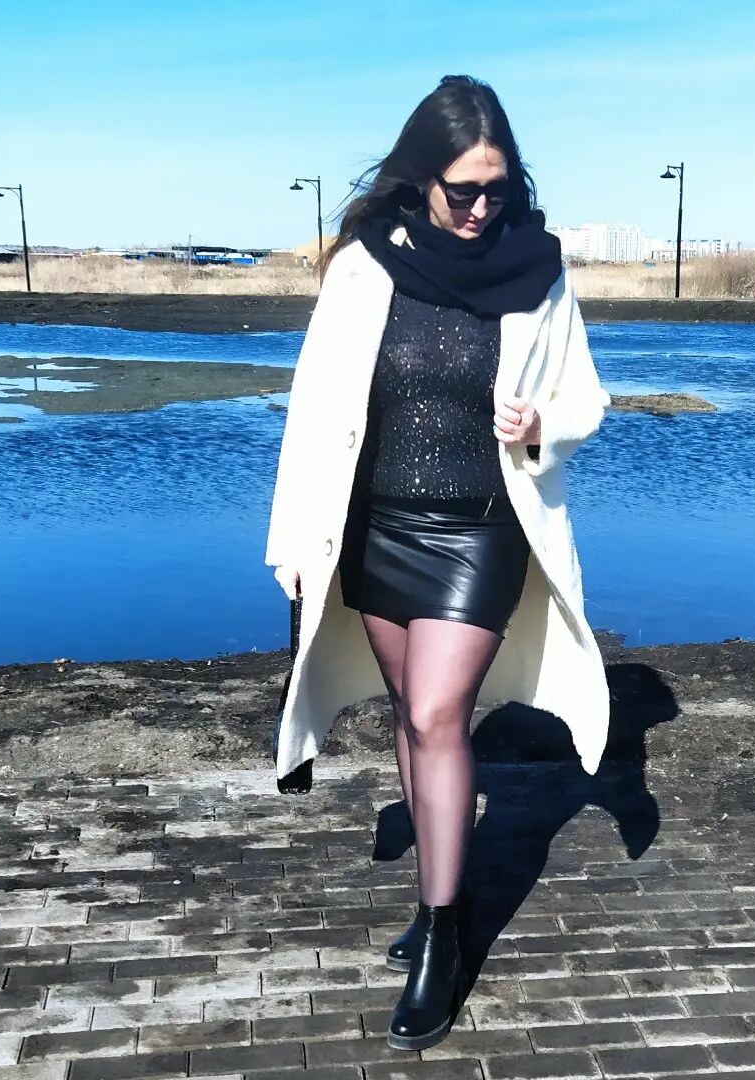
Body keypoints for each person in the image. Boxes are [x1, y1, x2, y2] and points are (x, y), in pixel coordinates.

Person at [265, 74, 611, 1051]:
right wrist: (294, 541)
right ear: (422, 176)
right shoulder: (363, 267)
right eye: (463, 189)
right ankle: (433, 904)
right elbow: (313, 411)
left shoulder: (537, 268)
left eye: (497, 187)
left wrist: (542, 424)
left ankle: (447, 937)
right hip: (377, 527)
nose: (481, 207)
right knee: (408, 722)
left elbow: (587, 398)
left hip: (484, 528)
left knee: (435, 712)